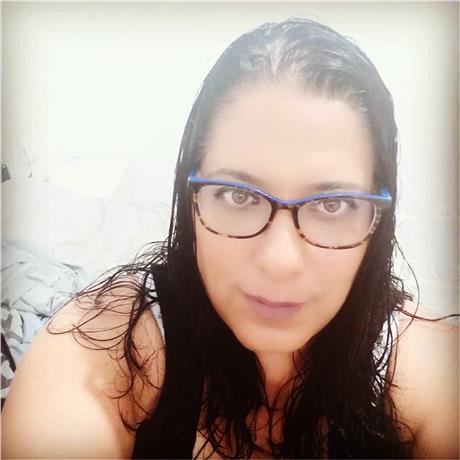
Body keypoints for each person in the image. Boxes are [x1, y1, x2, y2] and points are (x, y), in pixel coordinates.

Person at [2, 17, 458, 459]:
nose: (279, 260)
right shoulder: (103, 351)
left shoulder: (427, 365)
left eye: (333, 204)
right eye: (238, 196)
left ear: (379, 216)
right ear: (190, 198)